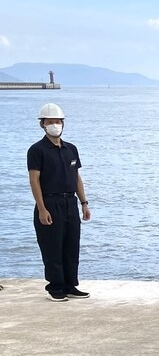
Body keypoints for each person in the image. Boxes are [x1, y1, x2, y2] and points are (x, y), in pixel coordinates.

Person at [27, 103, 91, 301]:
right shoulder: (37, 150)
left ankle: (70, 285)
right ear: (42, 125)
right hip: (49, 202)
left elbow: (76, 177)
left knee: (71, 245)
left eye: (57, 121)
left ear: (63, 123)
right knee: (52, 247)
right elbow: (34, 180)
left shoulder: (71, 149)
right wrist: (42, 208)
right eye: (50, 122)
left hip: (70, 202)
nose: (54, 125)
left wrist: (84, 203)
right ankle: (55, 288)